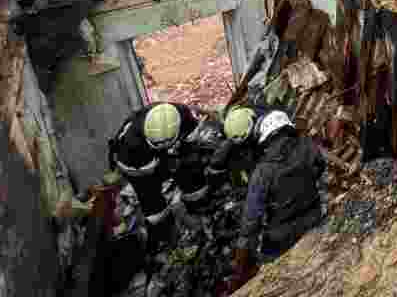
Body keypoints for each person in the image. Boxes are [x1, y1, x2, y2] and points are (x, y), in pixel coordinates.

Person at [228, 110, 326, 289]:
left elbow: (251, 224)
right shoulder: (307, 146)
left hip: (281, 238)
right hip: (314, 217)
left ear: (266, 137)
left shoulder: (263, 172)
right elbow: (320, 166)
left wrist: (239, 267)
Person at [108, 102, 212, 249]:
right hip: (139, 165)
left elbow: (190, 146)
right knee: (151, 199)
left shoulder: (182, 115)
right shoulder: (130, 146)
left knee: (191, 167)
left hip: (163, 151)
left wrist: (181, 160)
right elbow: (147, 177)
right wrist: (167, 165)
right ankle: (167, 233)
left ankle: (200, 208)